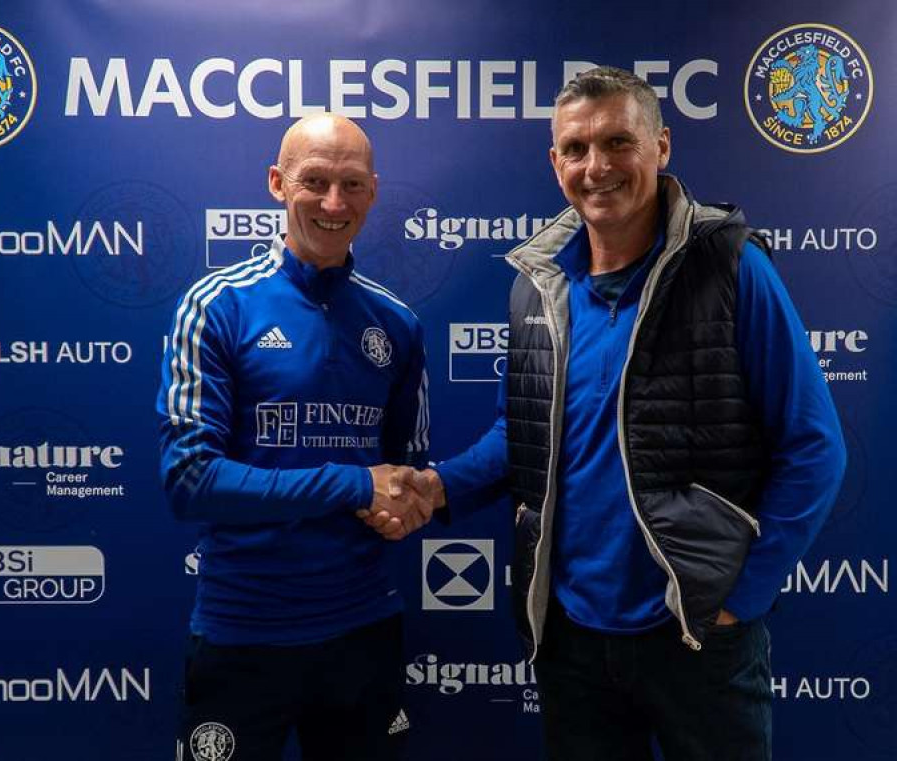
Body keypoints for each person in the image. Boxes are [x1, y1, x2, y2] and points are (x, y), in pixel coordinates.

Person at [365, 67, 846, 760]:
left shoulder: (730, 266)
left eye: (618, 141)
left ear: (662, 147)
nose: (598, 167)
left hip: (696, 633)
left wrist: (742, 597)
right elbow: (522, 435)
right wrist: (438, 488)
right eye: (576, 149)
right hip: (572, 637)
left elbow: (814, 447)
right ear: (555, 162)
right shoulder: (538, 289)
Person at [158, 113, 431, 761]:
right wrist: (352, 482)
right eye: (314, 181)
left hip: (363, 633)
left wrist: (403, 502)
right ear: (278, 184)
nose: (334, 203)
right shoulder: (217, 305)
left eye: (352, 184)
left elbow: (404, 474)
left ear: (373, 191)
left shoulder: (397, 323)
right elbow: (189, 480)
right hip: (241, 635)